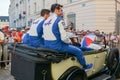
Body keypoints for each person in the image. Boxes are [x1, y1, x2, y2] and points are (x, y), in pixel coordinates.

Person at [42, 3, 93, 70]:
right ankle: (85, 66)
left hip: (47, 45)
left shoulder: (46, 21)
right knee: (79, 51)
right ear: (56, 10)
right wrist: (70, 42)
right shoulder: (59, 20)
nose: (62, 11)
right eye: (61, 10)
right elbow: (64, 38)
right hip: (57, 46)